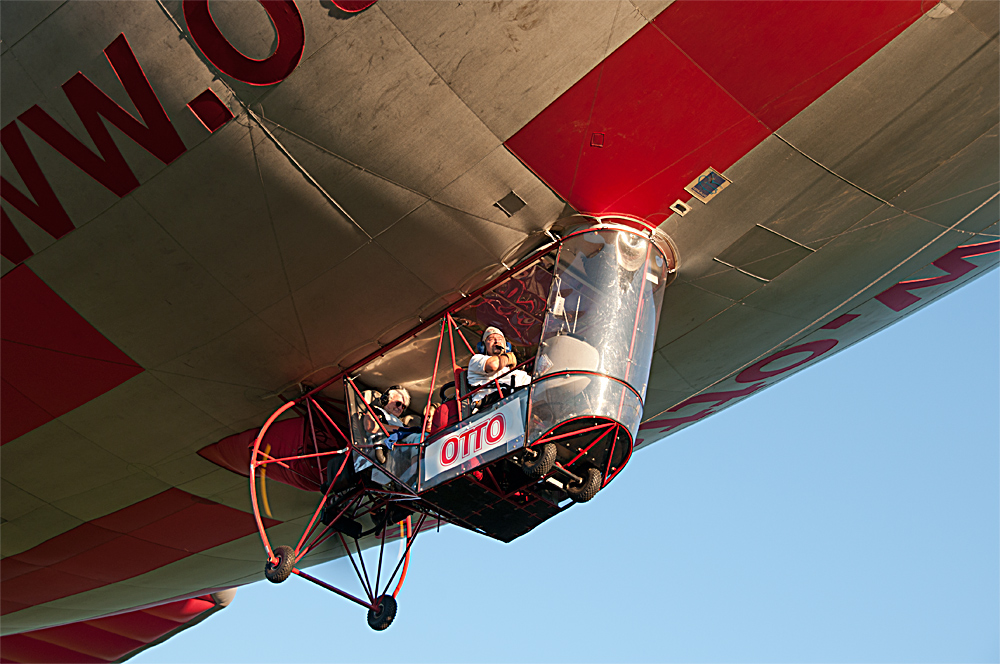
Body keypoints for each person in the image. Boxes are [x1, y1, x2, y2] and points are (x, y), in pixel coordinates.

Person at [467, 326, 531, 406]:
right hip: (487, 410)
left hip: (515, 406)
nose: (497, 341)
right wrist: (508, 358)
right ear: (483, 346)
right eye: (491, 339)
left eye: (500, 339)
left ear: (506, 346)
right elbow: (493, 365)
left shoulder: (517, 373)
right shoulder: (476, 360)